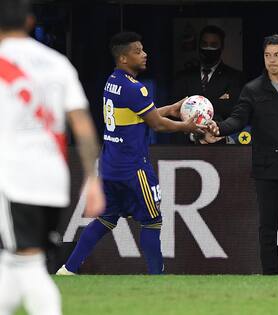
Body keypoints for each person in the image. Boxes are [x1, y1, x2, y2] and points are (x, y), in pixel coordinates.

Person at [56, 32, 205, 276]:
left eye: (144, 49)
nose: (145, 54)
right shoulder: (135, 89)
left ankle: (68, 269)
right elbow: (156, 124)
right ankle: (157, 278)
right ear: (124, 58)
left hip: (110, 166)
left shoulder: (112, 82)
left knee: (106, 219)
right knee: (152, 221)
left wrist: (172, 109)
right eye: (138, 51)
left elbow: (141, 115)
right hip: (133, 168)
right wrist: (186, 126)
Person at [0, 0, 105, 314]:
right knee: (15, 261)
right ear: (30, 22)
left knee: (28, 265)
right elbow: (83, 126)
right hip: (51, 181)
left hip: (12, 179)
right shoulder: (57, 63)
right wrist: (92, 179)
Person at [208, 34, 278, 275]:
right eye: (268, 55)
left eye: (277, 55)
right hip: (266, 168)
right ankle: (271, 275)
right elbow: (238, 118)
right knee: (267, 227)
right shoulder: (252, 89)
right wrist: (219, 128)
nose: (272, 60)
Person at [171, 24, 244, 144]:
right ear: (199, 46)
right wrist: (194, 136)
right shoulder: (183, 77)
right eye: (204, 44)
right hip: (186, 147)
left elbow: (236, 114)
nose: (208, 49)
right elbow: (173, 114)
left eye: (213, 45)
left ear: (222, 47)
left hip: (223, 146)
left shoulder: (235, 77)